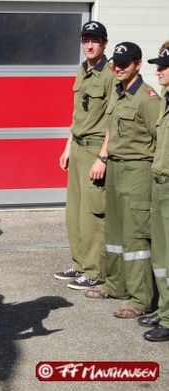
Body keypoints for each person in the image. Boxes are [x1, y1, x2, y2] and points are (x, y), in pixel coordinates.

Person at [84, 42, 159, 319]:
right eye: (116, 62)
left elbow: (159, 138)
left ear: (138, 65)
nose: (117, 67)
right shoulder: (119, 92)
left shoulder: (148, 99)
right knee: (114, 234)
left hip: (138, 172)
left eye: (124, 63)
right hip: (115, 169)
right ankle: (116, 286)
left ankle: (141, 299)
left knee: (136, 238)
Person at [54, 21, 115, 289]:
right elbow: (77, 113)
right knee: (75, 212)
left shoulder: (111, 74)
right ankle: (79, 264)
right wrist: (68, 145)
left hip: (95, 148)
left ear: (104, 43)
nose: (89, 45)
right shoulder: (82, 70)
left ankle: (94, 271)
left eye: (95, 40)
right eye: (86, 40)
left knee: (92, 214)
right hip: (78, 146)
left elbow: (114, 119)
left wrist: (103, 156)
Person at [142, 42, 169, 342]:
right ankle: (164, 309)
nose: (158, 70)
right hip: (159, 182)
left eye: (164, 65)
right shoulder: (164, 99)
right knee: (160, 256)